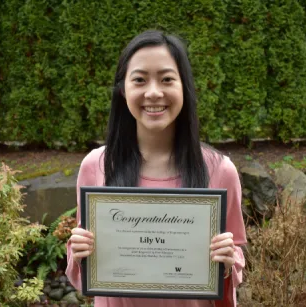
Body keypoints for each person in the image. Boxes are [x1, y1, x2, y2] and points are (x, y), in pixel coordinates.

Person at [66, 30, 246, 307]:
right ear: (122, 89)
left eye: (166, 79)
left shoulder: (220, 171)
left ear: (184, 87)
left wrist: (227, 260)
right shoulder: (96, 166)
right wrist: (78, 251)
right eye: (139, 80)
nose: (153, 92)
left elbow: (234, 263)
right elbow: (83, 273)